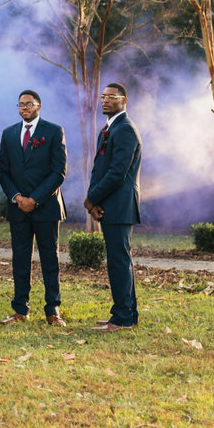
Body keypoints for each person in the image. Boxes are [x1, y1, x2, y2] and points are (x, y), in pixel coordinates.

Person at [0, 90, 68, 327]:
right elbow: (3, 171)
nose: (24, 107)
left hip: (46, 207)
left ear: (39, 106)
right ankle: (20, 310)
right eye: (20, 104)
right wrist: (17, 197)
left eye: (29, 104)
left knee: (50, 260)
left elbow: (59, 172)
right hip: (18, 209)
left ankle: (53, 310)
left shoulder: (53, 131)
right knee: (20, 260)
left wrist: (34, 199)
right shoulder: (8, 134)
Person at [85, 82, 143, 332]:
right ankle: (127, 313)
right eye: (103, 96)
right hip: (109, 203)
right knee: (119, 260)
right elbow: (100, 168)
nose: (105, 100)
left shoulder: (126, 129)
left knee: (119, 261)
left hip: (120, 205)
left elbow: (117, 172)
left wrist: (91, 198)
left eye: (112, 97)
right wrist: (95, 200)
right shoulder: (109, 128)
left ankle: (122, 318)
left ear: (124, 100)